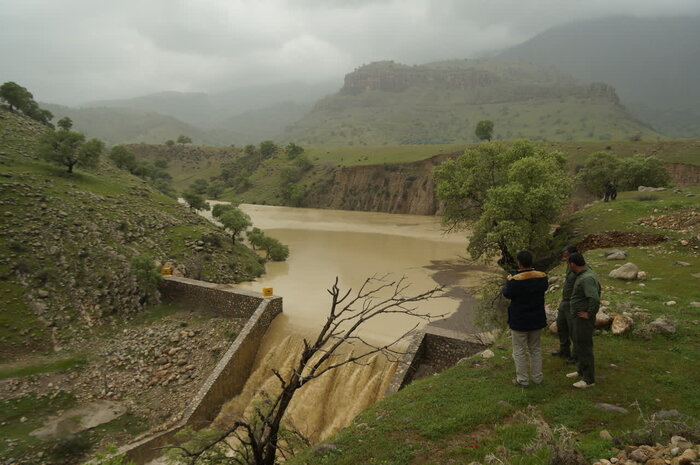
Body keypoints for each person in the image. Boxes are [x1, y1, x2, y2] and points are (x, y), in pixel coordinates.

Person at [502, 250, 548, 387]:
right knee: (535, 349)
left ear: (519, 263)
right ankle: (537, 378)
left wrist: (509, 280)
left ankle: (522, 380)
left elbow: (507, 294)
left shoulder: (515, 281)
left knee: (519, 351)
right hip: (537, 318)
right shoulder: (542, 277)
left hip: (520, 320)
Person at [566, 252, 601, 389]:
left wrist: (589, 313)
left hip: (583, 319)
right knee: (578, 344)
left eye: (569, 264)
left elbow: (594, 298)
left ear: (573, 264)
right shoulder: (584, 274)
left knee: (584, 347)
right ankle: (581, 370)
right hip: (577, 317)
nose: (568, 267)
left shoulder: (586, 278)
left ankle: (588, 379)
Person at [551, 245, 580, 365]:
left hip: (573, 303)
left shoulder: (579, 267)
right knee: (561, 326)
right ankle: (564, 350)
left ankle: (576, 355)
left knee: (574, 331)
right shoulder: (569, 266)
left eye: (566, 256)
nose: (564, 258)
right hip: (565, 301)